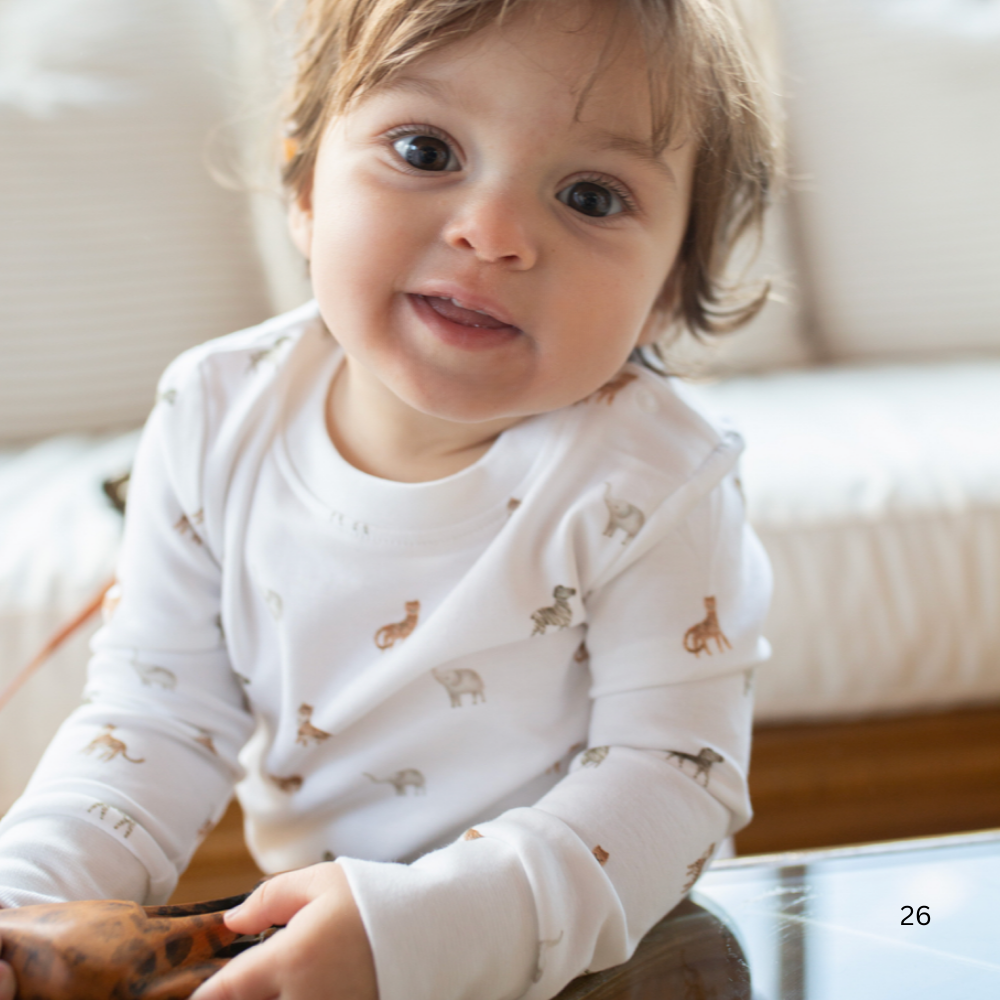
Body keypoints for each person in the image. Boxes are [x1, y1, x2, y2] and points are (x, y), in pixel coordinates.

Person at [0, 0, 779, 998]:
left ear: (668, 290)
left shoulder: (657, 476)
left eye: (589, 196)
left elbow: (672, 777)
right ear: (303, 186)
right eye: (425, 150)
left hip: (602, 958)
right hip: (319, 947)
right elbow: (151, 722)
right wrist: (22, 905)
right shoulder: (212, 411)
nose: (493, 232)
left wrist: (424, 931)